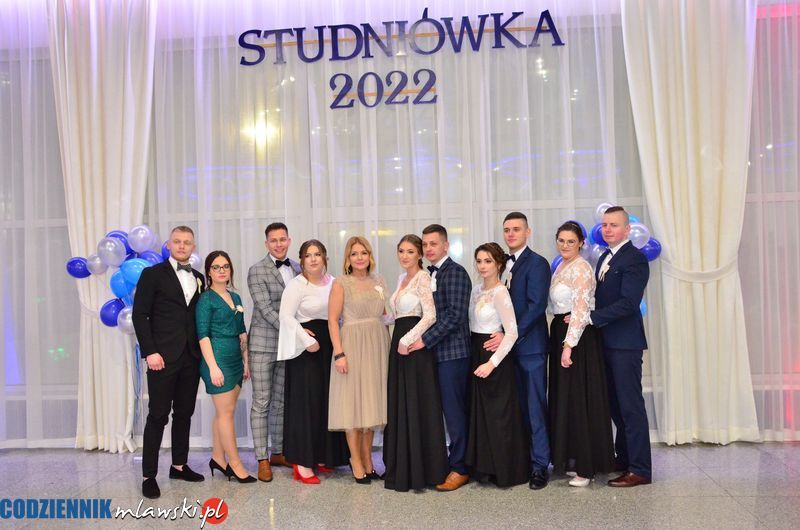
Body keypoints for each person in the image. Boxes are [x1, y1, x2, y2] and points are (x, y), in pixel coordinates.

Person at [132, 226, 205, 499]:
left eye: (187, 242)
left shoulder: (199, 278)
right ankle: (149, 476)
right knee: (158, 415)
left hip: (191, 357)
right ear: (169, 244)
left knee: (184, 413)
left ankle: (179, 465)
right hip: (161, 357)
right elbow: (140, 315)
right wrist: (150, 351)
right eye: (177, 241)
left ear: (193, 246)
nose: (182, 246)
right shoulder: (152, 274)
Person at [548, 222, 615, 487]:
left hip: (578, 340)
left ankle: (586, 468)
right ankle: (573, 458)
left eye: (571, 241)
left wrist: (568, 346)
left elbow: (580, 309)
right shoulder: (562, 267)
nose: (565, 246)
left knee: (580, 400)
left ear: (581, 244)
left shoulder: (582, 268)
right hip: (561, 332)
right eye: (561, 241)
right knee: (567, 399)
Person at [277, 240, 349, 484]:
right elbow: (286, 317)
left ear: (325, 257)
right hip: (306, 349)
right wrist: (306, 339)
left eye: (317, 254)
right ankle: (302, 462)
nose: (313, 259)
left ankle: (321, 456)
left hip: (330, 346)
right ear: (302, 260)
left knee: (325, 402)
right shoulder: (296, 285)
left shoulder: (334, 283)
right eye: (308, 255)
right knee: (305, 404)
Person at [590, 206, 652, 487]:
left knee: (630, 407)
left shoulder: (635, 258)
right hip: (606, 342)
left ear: (627, 229)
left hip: (625, 344)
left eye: (614, 225)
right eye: (604, 225)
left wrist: (592, 318)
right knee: (615, 405)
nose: (607, 229)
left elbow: (628, 303)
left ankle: (640, 469)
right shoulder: (605, 256)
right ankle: (624, 458)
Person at [407, 224, 472, 492]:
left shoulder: (455, 272)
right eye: (425, 244)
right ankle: (444, 461)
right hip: (433, 355)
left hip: (453, 354)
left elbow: (455, 315)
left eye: (434, 243)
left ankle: (461, 468)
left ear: (446, 245)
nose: (428, 248)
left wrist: (424, 340)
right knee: (439, 412)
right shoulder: (426, 274)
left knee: (455, 413)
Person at [383, 234, 449, 492]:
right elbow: (398, 315)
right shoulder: (401, 279)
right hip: (399, 343)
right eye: (401, 251)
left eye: (410, 251)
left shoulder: (423, 278)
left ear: (419, 254)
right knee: (401, 402)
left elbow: (430, 315)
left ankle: (425, 470)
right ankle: (403, 468)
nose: (404, 256)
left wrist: (407, 340)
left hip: (415, 347)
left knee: (418, 402)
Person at [327, 236, 390, 484]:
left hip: (377, 343)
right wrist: (339, 353)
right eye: (354, 254)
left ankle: (368, 459)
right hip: (352, 345)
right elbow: (333, 321)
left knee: (371, 403)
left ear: (369, 255)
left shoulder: (380, 280)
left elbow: (387, 313)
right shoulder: (340, 283)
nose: (359, 257)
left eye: (363, 252)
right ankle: (355, 460)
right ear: (348, 258)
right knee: (352, 404)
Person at [466, 242, 529, 487]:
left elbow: (512, 333)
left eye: (488, 261)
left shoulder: (501, 292)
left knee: (498, 416)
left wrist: (491, 364)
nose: (482, 266)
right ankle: (485, 469)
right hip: (476, 351)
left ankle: (506, 471)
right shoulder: (476, 290)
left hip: (495, 359)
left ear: (499, 264)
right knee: (481, 414)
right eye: (479, 261)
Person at [501, 211, 552, 490]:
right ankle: (521, 461)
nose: (511, 234)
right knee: (517, 408)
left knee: (534, 408)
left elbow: (536, 307)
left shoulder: (537, 263)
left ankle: (540, 465)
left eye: (516, 229)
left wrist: (511, 336)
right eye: (507, 230)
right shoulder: (503, 264)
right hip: (507, 350)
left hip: (530, 347)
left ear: (527, 232)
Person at [196, 251, 256, 483]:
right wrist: (213, 367)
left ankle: (218, 458)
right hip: (217, 358)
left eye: (225, 266)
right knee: (226, 413)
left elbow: (242, 332)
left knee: (223, 412)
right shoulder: (206, 299)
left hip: (235, 359)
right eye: (216, 267)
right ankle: (235, 464)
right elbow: (203, 336)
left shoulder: (236, 297)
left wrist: (246, 361)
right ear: (208, 272)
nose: (222, 271)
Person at [247, 222, 300, 482]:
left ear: (289, 240)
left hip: (288, 347)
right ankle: (262, 459)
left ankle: (278, 452)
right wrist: (296, 331)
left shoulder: (299, 268)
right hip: (263, 345)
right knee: (262, 402)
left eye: (282, 239)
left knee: (280, 401)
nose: (278, 244)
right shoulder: (256, 270)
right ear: (266, 243)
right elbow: (266, 310)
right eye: (273, 240)